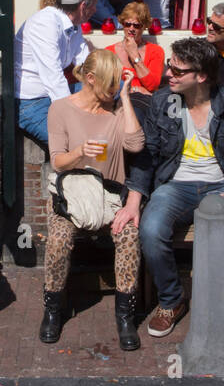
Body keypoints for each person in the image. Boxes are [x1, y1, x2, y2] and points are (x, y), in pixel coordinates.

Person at [128, 38, 224, 347]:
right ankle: (171, 300)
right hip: (176, 185)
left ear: (201, 76)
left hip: (223, 184)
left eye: (178, 70)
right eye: (170, 65)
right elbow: (147, 156)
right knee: (151, 230)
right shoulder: (162, 102)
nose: (170, 74)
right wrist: (134, 199)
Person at [40, 49, 145, 350]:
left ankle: (125, 315)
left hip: (110, 198)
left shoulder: (116, 111)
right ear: (89, 79)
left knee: (129, 235)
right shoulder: (60, 109)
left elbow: (136, 144)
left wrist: (125, 97)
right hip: (73, 195)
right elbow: (58, 162)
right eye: (110, 83)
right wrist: (81, 152)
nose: (113, 88)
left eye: (117, 82)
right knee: (58, 238)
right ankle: (52, 309)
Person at [14, 0, 100, 143]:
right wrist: (74, 119)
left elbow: (85, 63)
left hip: (54, 95)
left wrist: (104, 81)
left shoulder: (75, 24)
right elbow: (53, 77)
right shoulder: (46, 23)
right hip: (31, 103)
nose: (96, 10)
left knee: (116, 87)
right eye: (94, 5)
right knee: (71, 142)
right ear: (83, 6)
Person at [107, 0, 164, 96]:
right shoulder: (109, 51)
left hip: (142, 100)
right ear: (122, 24)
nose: (131, 29)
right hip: (117, 98)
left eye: (137, 26)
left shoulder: (155, 51)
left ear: (144, 27)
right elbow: (105, 84)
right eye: (127, 24)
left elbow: (152, 86)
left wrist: (134, 56)